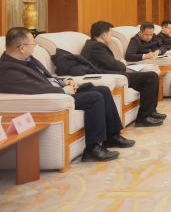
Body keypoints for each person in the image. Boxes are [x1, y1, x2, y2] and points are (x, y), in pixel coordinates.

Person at [0, 27, 133, 162]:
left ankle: (112, 136)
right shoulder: (7, 69)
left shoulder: (27, 59)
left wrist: (64, 81)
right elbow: (34, 87)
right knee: (95, 97)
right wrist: (64, 90)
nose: (35, 46)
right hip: (55, 96)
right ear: (22, 48)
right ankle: (92, 148)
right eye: (33, 43)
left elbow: (47, 78)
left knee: (103, 90)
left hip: (59, 89)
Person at [81, 21, 165, 127]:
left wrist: (119, 64)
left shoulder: (93, 45)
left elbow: (109, 63)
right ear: (104, 35)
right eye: (110, 33)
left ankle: (151, 111)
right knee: (150, 77)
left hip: (112, 74)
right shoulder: (96, 47)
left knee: (152, 76)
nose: (111, 36)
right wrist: (122, 64)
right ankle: (143, 117)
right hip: (110, 75)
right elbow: (114, 65)